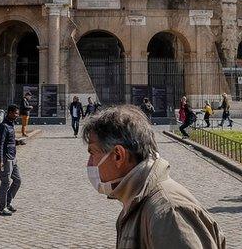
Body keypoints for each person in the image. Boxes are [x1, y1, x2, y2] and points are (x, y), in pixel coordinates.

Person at [82, 105, 224, 248]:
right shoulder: (135, 202)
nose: (89, 163)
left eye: (92, 153)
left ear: (118, 155)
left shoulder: (169, 213)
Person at [0, 104, 21, 216]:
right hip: (6, 158)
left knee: (17, 180)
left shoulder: (11, 125)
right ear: (10, 113)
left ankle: (8, 202)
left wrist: (17, 142)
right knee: (5, 182)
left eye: (17, 113)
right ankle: (2, 208)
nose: (17, 115)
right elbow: (0, 144)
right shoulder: (4, 126)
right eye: (15, 113)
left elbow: (9, 141)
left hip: (13, 157)